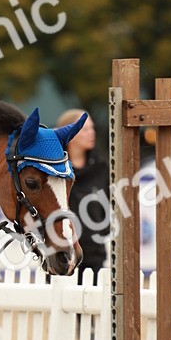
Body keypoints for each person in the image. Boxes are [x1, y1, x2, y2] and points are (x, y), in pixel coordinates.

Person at [56, 108, 109, 279]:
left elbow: (110, 205)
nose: (91, 133)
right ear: (70, 132)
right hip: (61, 255)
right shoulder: (55, 170)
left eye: (92, 128)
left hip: (94, 255)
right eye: (85, 129)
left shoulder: (101, 168)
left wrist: (101, 229)